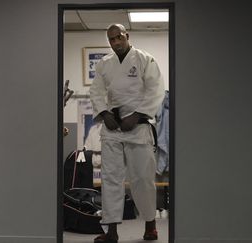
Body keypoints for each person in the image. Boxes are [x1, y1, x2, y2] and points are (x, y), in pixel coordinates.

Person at [89, 24, 165, 243]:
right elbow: (96, 91)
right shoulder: (105, 64)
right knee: (110, 179)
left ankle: (150, 226)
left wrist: (139, 115)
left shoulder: (144, 59)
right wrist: (104, 113)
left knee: (142, 178)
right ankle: (111, 231)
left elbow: (155, 89)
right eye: (111, 40)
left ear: (127, 36)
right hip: (113, 127)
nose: (116, 43)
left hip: (138, 126)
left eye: (119, 38)